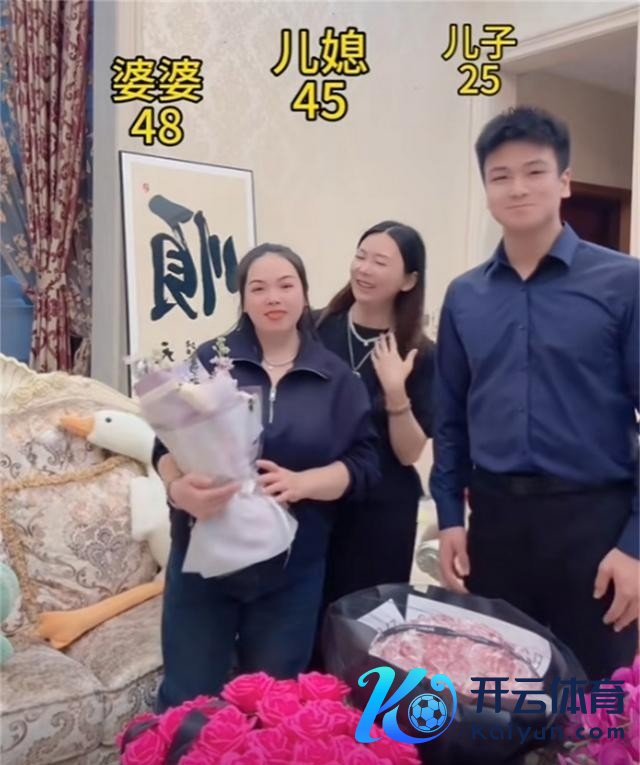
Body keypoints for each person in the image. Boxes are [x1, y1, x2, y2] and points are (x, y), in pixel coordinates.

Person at [430, 106, 639, 680]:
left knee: (595, 697)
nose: (517, 188)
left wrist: (635, 546)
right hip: (496, 521)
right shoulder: (465, 296)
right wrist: (450, 518)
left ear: (564, 181)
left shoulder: (624, 283)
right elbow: (450, 419)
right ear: (486, 190)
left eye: (535, 171)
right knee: (501, 690)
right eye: (500, 176)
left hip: (594, 522)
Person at [153, 243, 380, 711]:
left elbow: (365, 464)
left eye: (285, 285)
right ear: (244, 299)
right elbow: (163, 445)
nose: (273, 297)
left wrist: (303, 483)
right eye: (258, 288)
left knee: (272, 706)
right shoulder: (211, 361)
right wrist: (177, 490)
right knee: (187, 702)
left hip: (292, 569)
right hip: (202, 563)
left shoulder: (335, 378)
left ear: (304, 294)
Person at [316, 221, 435, 602]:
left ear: (409, 281)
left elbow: (409, 453)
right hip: (313, 500)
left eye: (380, 262)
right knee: (307, 620)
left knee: (366, 623)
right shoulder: (314, 330)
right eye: (360, 256)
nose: (364, 269)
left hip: (381, 513)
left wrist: (396, 393)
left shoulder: (420, 353)